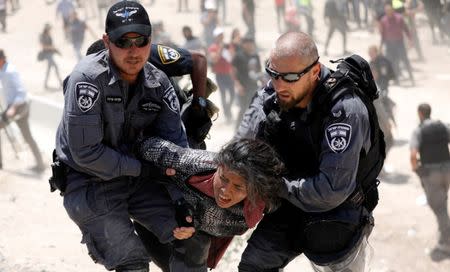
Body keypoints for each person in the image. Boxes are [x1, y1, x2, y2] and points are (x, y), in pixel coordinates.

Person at [53, 2, 195, 271]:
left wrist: (180, 199)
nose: (133, 51)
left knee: (189, 241)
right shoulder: (86, 80)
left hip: (137, 178)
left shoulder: (159, 82)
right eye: (122, 41)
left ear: (150, 40)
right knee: (132, 262)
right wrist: (143, 170)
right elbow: (86, 154)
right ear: (107, 41)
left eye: (140, 40)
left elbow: (177, 148)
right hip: (89, 181)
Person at [235, 32, 385, 272]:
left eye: (290, 77)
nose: (279, 84)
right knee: (253, 266)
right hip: (289, 203)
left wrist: (275, 185)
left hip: (336, 212)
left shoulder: (344, 110)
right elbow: (242, 143)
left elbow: (331, 190)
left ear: (315, 72)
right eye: (273, 74)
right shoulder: (276, 91)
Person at [134, 137, 285, 271]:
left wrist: (195, 225)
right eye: (223, 179)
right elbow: (144, 145)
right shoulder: (193, 164)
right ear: (218, 167)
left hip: (202, 239)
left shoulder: (264, 201)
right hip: (163, 218)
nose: (225, 191)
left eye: (238, 187)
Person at [410, 103, 450, 262]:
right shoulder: (443, 126)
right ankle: (445, 232)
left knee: (439, 209)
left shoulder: (418, 131)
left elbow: (413, 156)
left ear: (420, 113)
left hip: (431, 174)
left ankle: (446, 243)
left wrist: (417, 170)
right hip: (447, 170)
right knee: (443, 204)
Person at [0, 49, 45, 172]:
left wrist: (12, 109)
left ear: (2, 59)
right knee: (27, 136)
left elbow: (21, 92)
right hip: (15, 107)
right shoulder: (3, 70)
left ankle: (40, 165)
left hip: (18, 107)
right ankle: (40, 164)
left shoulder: (10, 72)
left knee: (27, 136)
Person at [39, 23, 63, 89]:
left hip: (50, 54)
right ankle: (61, 82)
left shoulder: (49, 35)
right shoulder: (42, 36)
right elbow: (43, 46)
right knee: (56, 67)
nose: (50, 30)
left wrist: (56, 50)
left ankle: (45, 84)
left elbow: (52, 45)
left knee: (49, 69)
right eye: (49, 28)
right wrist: (51, 47)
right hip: (47, 55)